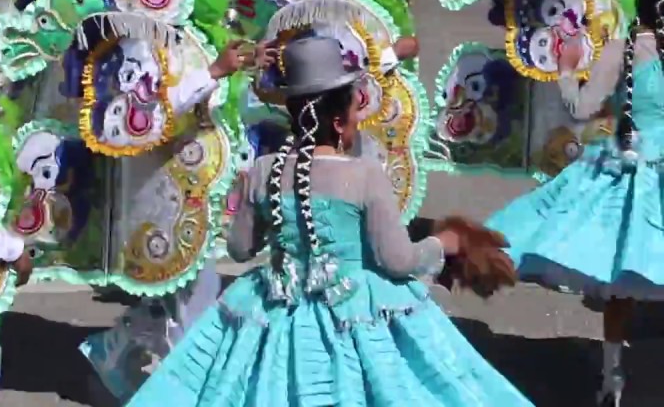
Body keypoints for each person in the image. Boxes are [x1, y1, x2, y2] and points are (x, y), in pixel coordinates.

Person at [125, 35, 531, 407]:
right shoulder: (366, 175)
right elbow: (398, 261)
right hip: (350, 312)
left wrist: (247, 196)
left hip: (277, 309)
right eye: (356, 109)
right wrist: (447, 243)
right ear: (338, 121)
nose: (359, 119)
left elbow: (240, 248)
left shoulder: (264, 170)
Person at [487, 0, 664, 407]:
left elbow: (581, 110)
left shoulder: (626, 49)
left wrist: (566, 71)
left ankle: (612, 378)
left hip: (633, 164)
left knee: (621, 277)